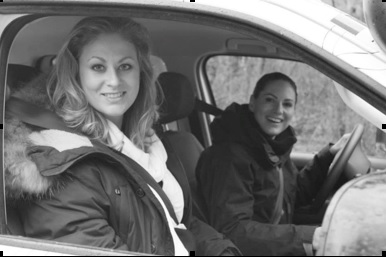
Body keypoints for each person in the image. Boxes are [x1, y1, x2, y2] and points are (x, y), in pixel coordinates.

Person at [4, 17, 241, 256]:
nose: (114, 81)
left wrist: (224, 251)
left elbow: (177, 224)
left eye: (125, 66)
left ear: (141, 73)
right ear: (76, 75)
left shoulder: (147, 144)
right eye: (98, 67)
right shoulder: (60, 163)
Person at [196, 72, 349, 256]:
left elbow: (291, 195)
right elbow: (232, 230)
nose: (278, 110)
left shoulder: (272, 147)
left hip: (271, 244)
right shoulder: (229, 156)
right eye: (270, 100)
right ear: (253, 103)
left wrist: (328, 156)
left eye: (287, 104)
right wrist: (307, 237)